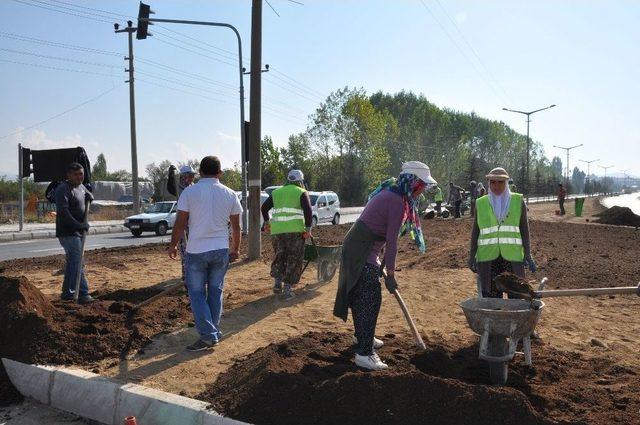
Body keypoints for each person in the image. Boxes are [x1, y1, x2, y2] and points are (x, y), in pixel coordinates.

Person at [334, 161, 437, 371]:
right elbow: (392, 240)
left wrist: (381, 263)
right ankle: (364, 353)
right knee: (370, 297)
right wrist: (390, 273)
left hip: (362, 247)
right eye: (421, 186)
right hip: (360, 250)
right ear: (413, 183)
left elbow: (381, 232)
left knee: (363, 295)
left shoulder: (393, 194)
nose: (423, 191)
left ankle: (364, 336)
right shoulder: (397, 201)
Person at [168, 156, 242, 351]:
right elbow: (236, 228)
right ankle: (213, 332)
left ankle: (209, 336)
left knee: (197, 293)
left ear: (200, 172)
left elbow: (180, 223)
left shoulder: (190, 193)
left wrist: (173, 245)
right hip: (220, 250)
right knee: (216, 291)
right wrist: (235, 249)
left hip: (196, 250)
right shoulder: (230, 194)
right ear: (220, 173)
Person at [468, 167, 536, 298]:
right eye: (493, 182)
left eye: (500, 182)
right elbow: (476, 232)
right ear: (489, 183)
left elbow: (524, 229)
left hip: (512, 258)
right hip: (488, 259)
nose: (496, 186)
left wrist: (528, 254)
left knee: (517, 295)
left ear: (506, 183)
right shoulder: (481, 203)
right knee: (491, 296)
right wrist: (472, 256)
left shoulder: (517, 201)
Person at [261, 169, 313, 299]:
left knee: (280, 257)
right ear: (300, 181)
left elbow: (264, 208)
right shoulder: (301, 192)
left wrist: (267, 222)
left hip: (277, 231)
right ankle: (287, 291)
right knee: (293, 259)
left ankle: (277, 285)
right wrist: (308, 230)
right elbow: (308, 211)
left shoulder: (276, 192)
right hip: (295, 232)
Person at [55, 162, 94, 304]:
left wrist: (90, 196)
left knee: (73, 262)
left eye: (81, 174)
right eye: (76, 174)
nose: (79, 177)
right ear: (68, 175)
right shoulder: (63, 189)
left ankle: (67, 293)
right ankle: (83, 293)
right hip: (67, 232)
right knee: (78, 262)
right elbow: (63, 212)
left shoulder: (81, 186)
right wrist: (79, 225)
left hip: (77, 231)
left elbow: (88, 194)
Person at [177, 165, 197, 283]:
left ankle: (193, 275)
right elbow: (170, 187)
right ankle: (186, 276)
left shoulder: (194, 187)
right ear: (182, 176)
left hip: (193, 224)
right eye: (189, 176)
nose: (191, 178)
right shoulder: (177, 188)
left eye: (192, 176)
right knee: (185, 251)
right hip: (183, 224)